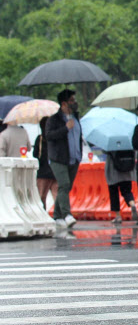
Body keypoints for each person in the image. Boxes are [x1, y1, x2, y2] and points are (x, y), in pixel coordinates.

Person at [46, 89, 82, 228]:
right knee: (64, 184)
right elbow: (49, 136)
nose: (74, 103)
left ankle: (57, 216)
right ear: (64, 103)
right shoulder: (54, 119)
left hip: (74, 158)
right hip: (58, 159)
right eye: (72, 100)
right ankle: (67, 214)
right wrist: (65, 128)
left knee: (66, 187)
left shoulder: (76, 117)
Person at [105, 150, 138, 225]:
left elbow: (105, 151)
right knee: (127, 191)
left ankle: (118, 216)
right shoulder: (128, 141)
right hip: (127, 170)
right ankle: (132, 204)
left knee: (114, 194)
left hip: (113, 170)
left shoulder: (111, 141)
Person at [33, 117, 57, 209]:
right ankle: (59, 215)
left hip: (43, 172)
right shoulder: (55, 138)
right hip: (55, 171)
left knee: (41, 196)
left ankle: (43, 214)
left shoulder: (40, 139)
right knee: (57, 196)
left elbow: (35, 154)